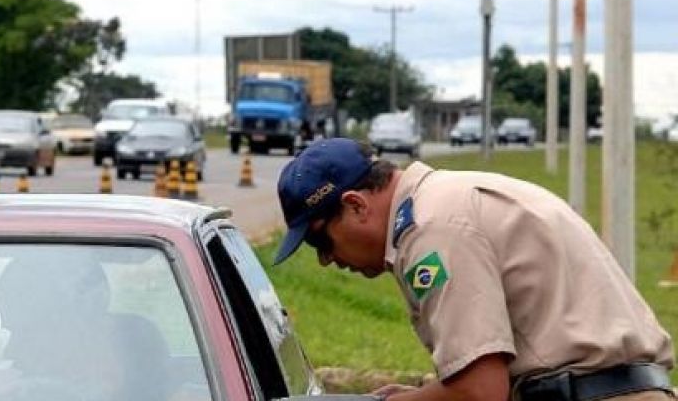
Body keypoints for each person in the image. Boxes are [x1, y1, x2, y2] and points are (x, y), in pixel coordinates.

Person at [274, 138, 675, 401]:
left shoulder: (431, 229)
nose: (326, 260)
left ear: (357, 205)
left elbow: (479, 392)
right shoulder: (447, 198)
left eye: (319, 241)